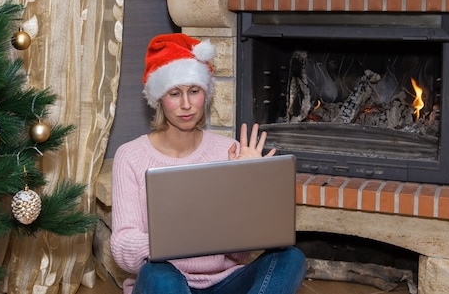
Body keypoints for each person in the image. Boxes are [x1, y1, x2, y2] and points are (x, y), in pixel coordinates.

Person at [110, 33, 306, 294]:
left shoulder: (228, 150)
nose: (186, 104)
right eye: (174, 93)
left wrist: (251, 184)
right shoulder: (130, 156)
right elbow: (123, 246)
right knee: (159, 275)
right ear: (159, 98)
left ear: (206, 93)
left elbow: (239, 255)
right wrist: (176, 241)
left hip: (224, 283)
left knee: (290, 258)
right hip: (166, 282)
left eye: (194, 91)